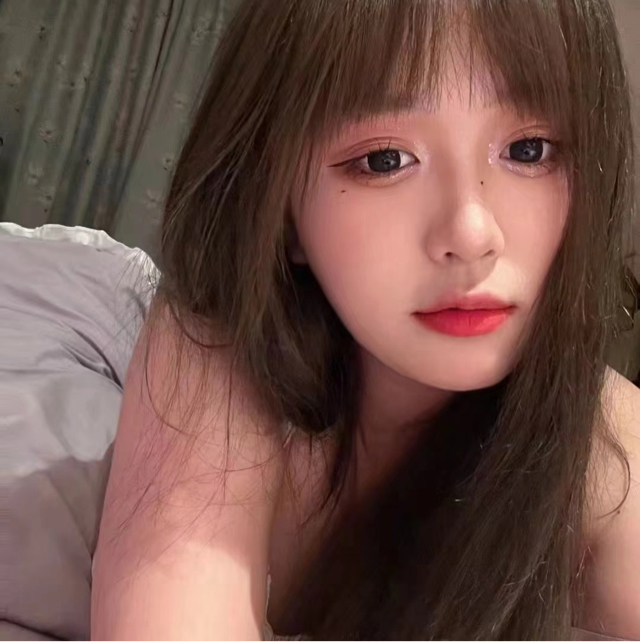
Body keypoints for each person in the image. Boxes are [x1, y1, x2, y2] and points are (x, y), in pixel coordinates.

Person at [91, 0, 640, 639]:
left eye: (528, 149)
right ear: (281, 210)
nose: (471, 234)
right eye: (384, 160)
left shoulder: (609, 446)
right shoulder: (216, 353)